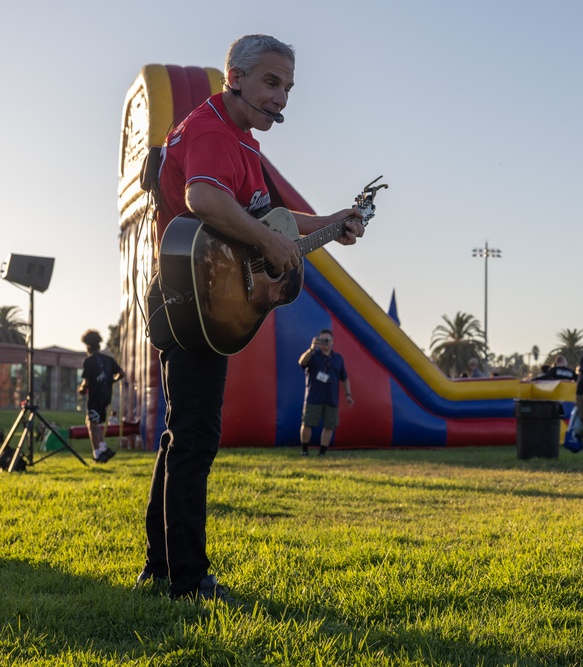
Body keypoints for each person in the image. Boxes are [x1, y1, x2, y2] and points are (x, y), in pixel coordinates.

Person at [139, 34, 366, 603]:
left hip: (199, 299)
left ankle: (162, 567)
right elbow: (204, 200)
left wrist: (330, 222)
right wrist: (268, 239)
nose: (281, 98)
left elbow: (270, 214)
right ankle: (187, 581)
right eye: (271, 82)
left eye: (288, 88)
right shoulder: (214, 130)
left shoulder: (241, 140)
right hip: (192, 297)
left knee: (181, 438)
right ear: (234, 77)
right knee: (194, 438)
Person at [299, 329, 353, 455]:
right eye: (322, 339)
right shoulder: (314, 355)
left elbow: (344, 378)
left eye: (327, 340)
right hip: (314, 397)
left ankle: (322, 452)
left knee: (329, 425)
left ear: (332, 341)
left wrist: (348, 394)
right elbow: (301, 362)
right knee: (307, 423)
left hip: (331, 398)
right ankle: (304, 451)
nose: (325, 342)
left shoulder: (338, 358)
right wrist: (311, 349)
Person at [78, 329, 125, 463]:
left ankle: (98, 453)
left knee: (91, 424)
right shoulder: (109, 360)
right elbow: (121, 373)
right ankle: (103, 449)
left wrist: (82, 389)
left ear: (87, 346)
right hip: (106, 397)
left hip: (94, 397)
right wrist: (111, 381)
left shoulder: (89, 361)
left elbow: (86, 381)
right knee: (95, 423)